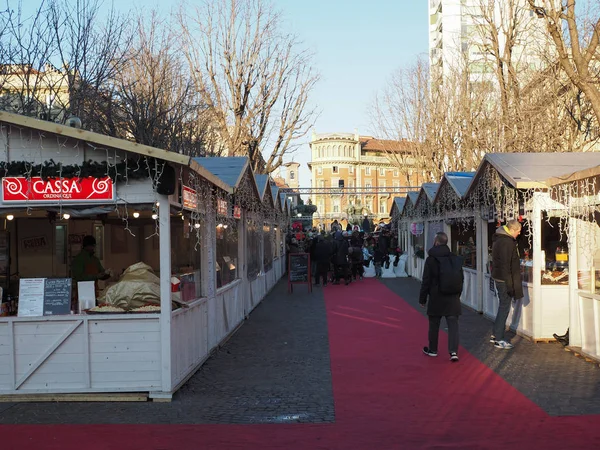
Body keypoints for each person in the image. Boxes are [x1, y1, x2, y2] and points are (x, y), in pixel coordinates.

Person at [419, 232, 463, 362]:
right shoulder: (454, 258)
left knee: (434, 324)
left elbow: (426, 280)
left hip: (436, 295)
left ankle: (433, 349)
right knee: (453, 325)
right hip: (452, 296)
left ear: (436, 242)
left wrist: (422, 298)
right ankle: (453, 352)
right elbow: (461, 278)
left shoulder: (431, 259)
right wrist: (458, 293)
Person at [491, 219, 523, 349]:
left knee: (502, 307)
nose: (519, 234)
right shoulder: (507, 243)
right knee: (504, 307)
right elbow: (506, 266)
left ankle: (496, 334)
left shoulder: (500, 239)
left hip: (500, 278)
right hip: (504, 280)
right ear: (512, 230)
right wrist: (510, 285)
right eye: (518, 231)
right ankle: (499, 338)